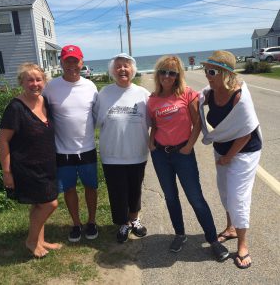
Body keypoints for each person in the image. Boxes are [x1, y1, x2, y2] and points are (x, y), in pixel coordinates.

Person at [147, 55, 229, 261]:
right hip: (160, 155)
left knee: (195, 198)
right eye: (163, 71)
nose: (167, 76)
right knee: (170, 197)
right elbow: (155, 123)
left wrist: (188, 147)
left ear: (178, 75)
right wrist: (151, 142)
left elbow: (198, 123)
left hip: (182, 154)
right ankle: (180, 234)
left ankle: (213, 240)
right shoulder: (152, 99)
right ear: (158, 74)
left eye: (172, 72)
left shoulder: (187, 94)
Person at [199, 51, 262, 269]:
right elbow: (192, 102)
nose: (208, 75)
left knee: (238, 196)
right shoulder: (210, 92)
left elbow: (245, 133)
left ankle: (243, 245)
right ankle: (231, 228)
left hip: (244, 151)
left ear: (225, 73)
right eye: (206, 70)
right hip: (222, 148)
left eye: (212, 71)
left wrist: (228, 157)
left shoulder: (239, 96)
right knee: (225, 190)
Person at [0, 63, 61, 258]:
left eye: (38, 79)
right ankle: (31, 241)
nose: (35, 84)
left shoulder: (45, 102)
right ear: (22, 83)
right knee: (49, 204)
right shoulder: (15, 108)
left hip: (47, 164)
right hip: (26, 166)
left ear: (44, 81)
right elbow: (3, 140)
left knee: (39, 204)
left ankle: (40, 241)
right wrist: (7, 172)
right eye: (30, 80)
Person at [43, 45, 98, 242]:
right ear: (61, 62)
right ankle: (76, 223)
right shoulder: (51, 87)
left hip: (87, 148)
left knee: (91, 187)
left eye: (75, 60)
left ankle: (91, 222)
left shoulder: (90, 86)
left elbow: (96, 115)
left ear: (81, 62)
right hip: (62, 150)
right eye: (67, 60)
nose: (72, 65)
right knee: (69, 189)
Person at [93, 53, 150, 243]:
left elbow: (154, 122)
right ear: (112, 71)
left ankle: (134, 219)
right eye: (118, 66)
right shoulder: (104, 94)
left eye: (126, 66)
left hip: (137, 152)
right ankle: (123, 223)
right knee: (117, 191)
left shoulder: (143, 94)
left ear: (133, 70)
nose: (122, 69)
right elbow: (95, 121)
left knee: (135, 189)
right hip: (112, 154)